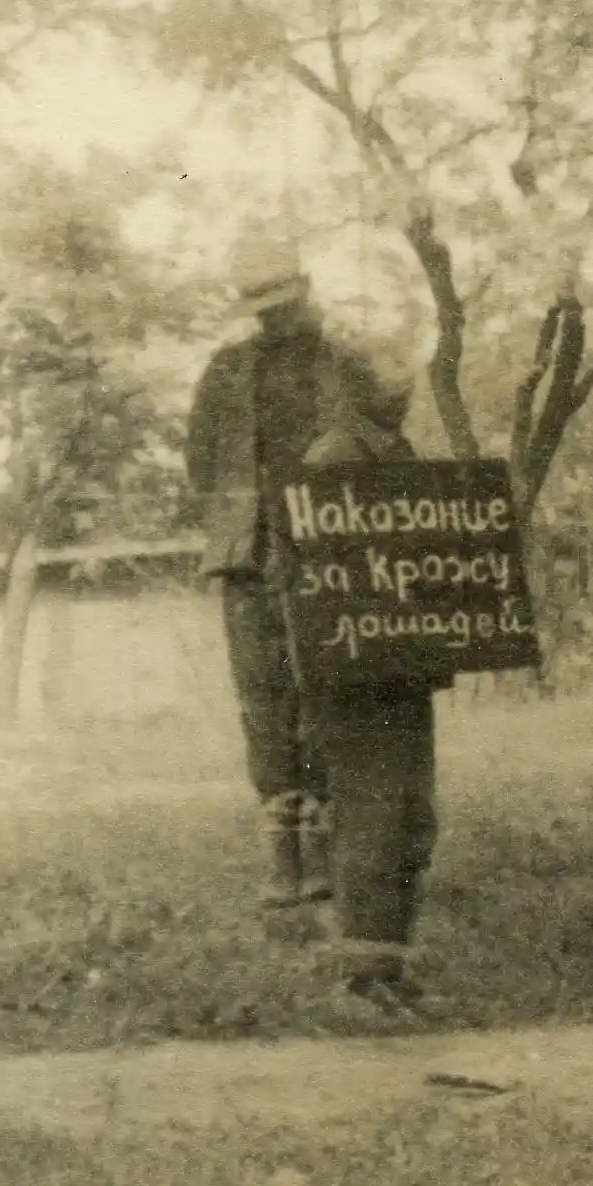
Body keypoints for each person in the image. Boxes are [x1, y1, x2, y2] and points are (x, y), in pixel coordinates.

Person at [182, 231, 366, 911]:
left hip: (322, 557)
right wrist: (235, 522)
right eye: (261, 306)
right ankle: (279, 851)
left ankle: (319, 844)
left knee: (321, 697)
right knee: (262, 703)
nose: (274, 316)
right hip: (248, 559)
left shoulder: (340, 365)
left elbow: (368, 446)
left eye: (282, 302)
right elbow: (199, 457)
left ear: (306, 292)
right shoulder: (226, 369)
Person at [298, 330, 447, 1011]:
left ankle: (391, 964)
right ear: (359, 383)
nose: (406, 383)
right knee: (370, 817)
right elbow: (324, 575)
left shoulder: (396, 450)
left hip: (402, 668)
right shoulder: (334, 456)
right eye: (392, 372)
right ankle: (358, 977)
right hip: (356, 677)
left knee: (412, 817)